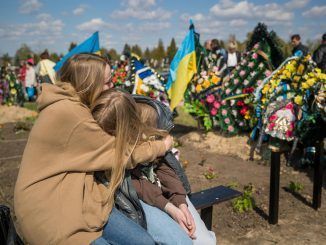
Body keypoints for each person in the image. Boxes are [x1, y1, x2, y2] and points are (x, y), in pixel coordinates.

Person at [14, 53, 173, 245]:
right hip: (53, 215)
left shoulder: (68, 105)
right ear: (88, 84)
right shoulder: (72, 115)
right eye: (106, 83)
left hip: (78, 201)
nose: (111, 88)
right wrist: (160, 146)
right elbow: (120, 153)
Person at [92, 90, 216, 245]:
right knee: (182, 241)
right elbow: (135, 185)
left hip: (161, 193)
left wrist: (180, 202)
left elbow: (165, 167)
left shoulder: (148, 124)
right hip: (142, 199)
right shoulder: (115, 143)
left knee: (204, 240)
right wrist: (170, 208)